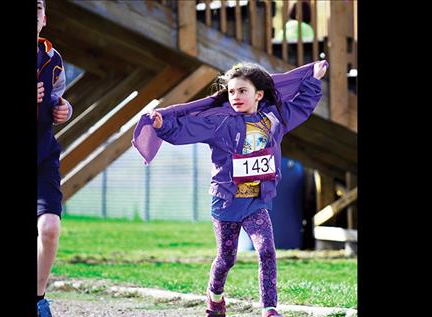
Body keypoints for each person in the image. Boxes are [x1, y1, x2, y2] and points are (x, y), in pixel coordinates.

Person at [133, 60, 327, 317]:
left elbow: (302, 107)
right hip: (225, 202)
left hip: (256, 201)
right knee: (226, 260)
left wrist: (312, 80)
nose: (236, 96)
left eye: (242, 91)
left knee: (267, 251)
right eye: (232, 92)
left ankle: (269, 308)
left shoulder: (273, 118)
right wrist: (162, 126)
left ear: (259, 94)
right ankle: (214, 297)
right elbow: (186, 129)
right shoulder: (219, 122)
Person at [37, 0, 73, 316]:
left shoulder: (53, 58)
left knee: (49, 228)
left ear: (43, 18)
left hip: (43, 154)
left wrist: (64, 109)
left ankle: (38, 299)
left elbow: (56, 98)